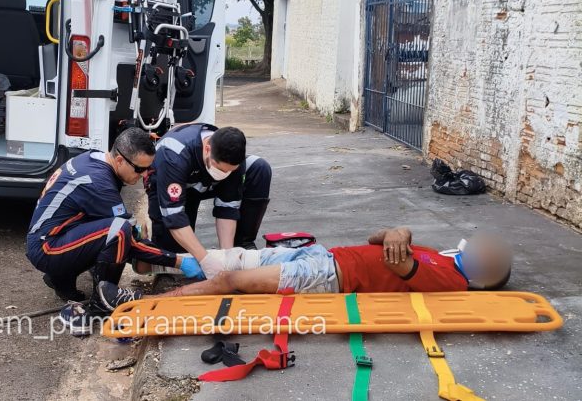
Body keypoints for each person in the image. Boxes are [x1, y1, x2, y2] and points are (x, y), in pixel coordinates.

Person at [25, 128, 204, 334]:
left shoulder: (95, 161)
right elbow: (127, 239)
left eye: (148, 169)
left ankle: (60, 278)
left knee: (114, 230)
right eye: (139, 169)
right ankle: (101, 302)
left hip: (52, 238)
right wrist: (179, 261)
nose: (144, 175)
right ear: (120, 160)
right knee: (120, 231)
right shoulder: (99, 181)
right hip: (48, 248)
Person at [94, 227, 514, 311]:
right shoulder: (443, 256)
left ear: (484, 276)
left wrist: (397, 243)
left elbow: (401, 266)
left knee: (232, 281)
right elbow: (375, 239)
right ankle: (153, 262)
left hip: (330, 278)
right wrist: (397, 229)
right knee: (230, 260)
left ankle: (141, 305)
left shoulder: (451, 279)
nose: (486, 246)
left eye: (492, 256)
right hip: (323, 256)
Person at [146, 124, 273, 262]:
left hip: (206, 182)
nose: (224, 174)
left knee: (259, 167)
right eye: (220, 169)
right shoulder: (173, 155)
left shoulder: (233, 158)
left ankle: (242, 244)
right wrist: (206, 260)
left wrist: (228, 257)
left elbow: (228, 208)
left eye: (229, 171)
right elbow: (174, 217)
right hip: (171, 186)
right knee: (175, 255)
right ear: (207, 149)